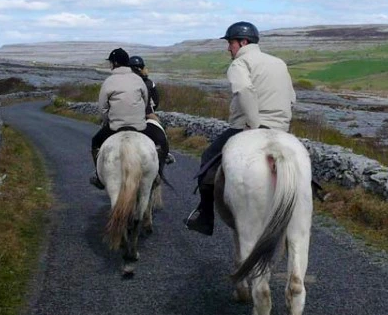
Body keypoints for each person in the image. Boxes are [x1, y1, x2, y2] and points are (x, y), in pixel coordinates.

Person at [185, 21, 296, 235]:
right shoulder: (279, 63)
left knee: (208, 158)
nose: (229, 48)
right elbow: (292, 98)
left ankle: (205, 218)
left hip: (248, 128)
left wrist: (254, 127)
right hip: (281, 130)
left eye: (231, 43)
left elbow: (245, 91)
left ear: (243, 42)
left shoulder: (240, 63)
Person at [90, 48, 169, 189]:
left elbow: (102, 108)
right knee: (161, 140)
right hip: (139, 125)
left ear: (114, 63)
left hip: (115, 126)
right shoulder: (138, 80)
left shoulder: (109, 81)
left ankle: (99, 175)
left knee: (95, 142)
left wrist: (108, 120)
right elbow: (145, 101)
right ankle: (158, 172)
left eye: (110, 63)